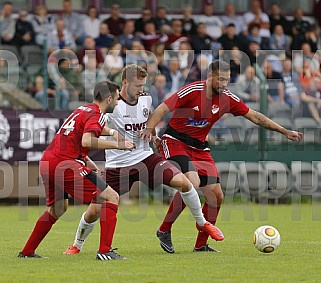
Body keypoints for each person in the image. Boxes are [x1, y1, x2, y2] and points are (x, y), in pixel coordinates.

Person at [140, 60, 303, 253]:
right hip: (175, 141)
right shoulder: (191, 91)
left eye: (227, 80)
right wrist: (150, 129)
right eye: (221, 79)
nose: (224, 84)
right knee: (191, 181)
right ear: (210, 77)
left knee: (216, 195)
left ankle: (201, 245)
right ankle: (165, 229)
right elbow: (162, 109)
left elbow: (255, 116)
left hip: (200, 148)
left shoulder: (227, 98)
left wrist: (284, 131)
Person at [63, 64, 224, 255]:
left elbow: (149, 122)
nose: (141, 89)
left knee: (185, 182)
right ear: (125, 83)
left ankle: (203, 223)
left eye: (143, 85)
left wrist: (154, 136)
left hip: (146, 159)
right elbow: (89, 136)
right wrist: (105, 147)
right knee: (94, 211)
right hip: (118, 166)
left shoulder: (146, 99)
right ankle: (77, 245)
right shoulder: (111, 106)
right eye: (138, 86)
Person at [18, 80, 136, 260]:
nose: (119, 102)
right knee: (111, 196)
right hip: (66, 164)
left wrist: (87, 158)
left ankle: (27, 252)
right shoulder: (97, 114)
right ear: (109, 99)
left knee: (58, 209)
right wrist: (119, 145)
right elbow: (87, 141)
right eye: (118, 99)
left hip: (48, 161)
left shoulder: (83, 109)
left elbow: (74, 137)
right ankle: (105, 251)